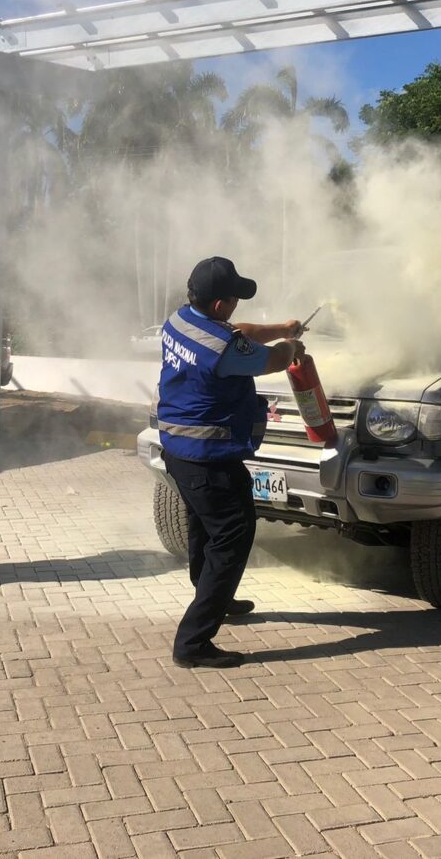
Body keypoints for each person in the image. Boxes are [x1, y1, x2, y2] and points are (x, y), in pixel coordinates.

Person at [159, 256, 307, 669]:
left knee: (204, 530)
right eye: (234, 298)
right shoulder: (221, 347)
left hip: (179, 449)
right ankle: (193, 642)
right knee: (233, 537)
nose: (237, 306)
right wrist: (291, 347)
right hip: (209, 457)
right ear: (220, 305)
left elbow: (239, 333)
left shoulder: (179, 320)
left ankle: (212, 595)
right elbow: (271, 360)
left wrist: (281, 329)